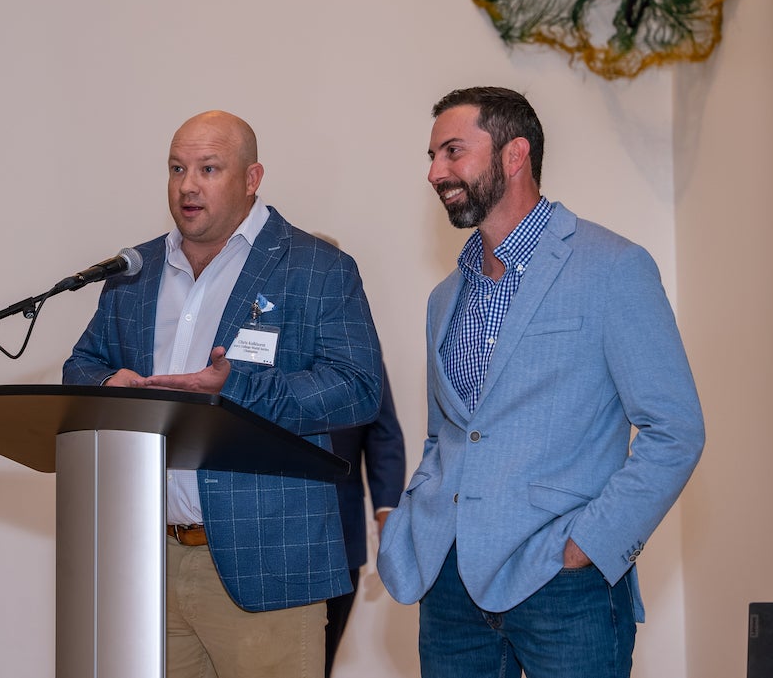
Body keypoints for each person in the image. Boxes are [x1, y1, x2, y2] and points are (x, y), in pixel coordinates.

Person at [376, 86, 705, 678]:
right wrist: (412, 520)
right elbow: (444, 436)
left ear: (513, 154)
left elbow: (675, 430)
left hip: (564, 588)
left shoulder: (613, 267)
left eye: (452, 152)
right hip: (448, 585)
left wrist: (588, 547)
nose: (434, 172)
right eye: (431, 156)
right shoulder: (444, 297)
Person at [62, 110, 383, 678]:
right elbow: (82, 363)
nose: (188, 185)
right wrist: (109, 384)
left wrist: (240, 391)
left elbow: (358, 390)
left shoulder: (318, 268)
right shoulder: (133, 271)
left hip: (267, 562)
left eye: (209, 168)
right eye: (177, 168)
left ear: (252, 178)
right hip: (147, 558)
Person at [324, 363, 406, 677]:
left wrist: (387, 512)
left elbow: (382, 433)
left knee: (319, 661)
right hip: (254, 530)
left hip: (342, 533)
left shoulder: (353, 333)